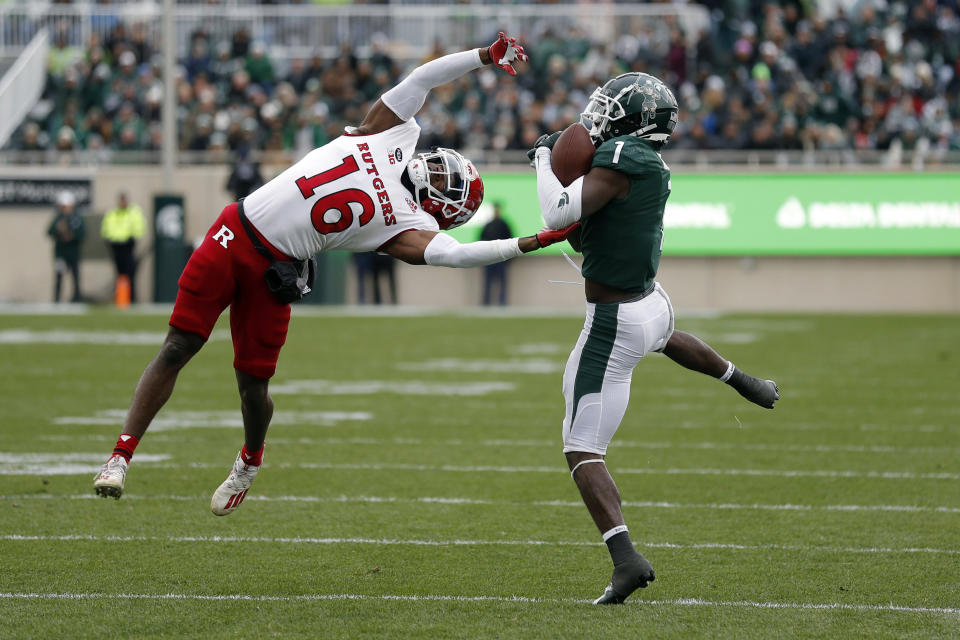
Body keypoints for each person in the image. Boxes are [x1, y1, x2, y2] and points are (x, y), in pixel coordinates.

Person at [93, 32, 579, 516]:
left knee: (252, 385)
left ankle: (249, 461)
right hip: (234, 231)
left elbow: (458, 256)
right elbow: (422, 77)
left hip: (275, 274)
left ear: (442, 208)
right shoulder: (390, 134)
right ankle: (120, 456)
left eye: (448, 181)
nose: (436, 169)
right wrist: (482, 57)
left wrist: (530, 242)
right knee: (178, 345)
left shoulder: (405, 227)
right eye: (445, 165)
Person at [530, 72, 780, 605]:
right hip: (651, 303)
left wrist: (540, 161)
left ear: (633, 120)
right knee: (666, 337)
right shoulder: (641, 163)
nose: (598, 116)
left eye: (609, 107)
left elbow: (556, 214)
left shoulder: (624, 155)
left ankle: (626, 560)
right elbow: (582, 228)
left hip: (613, 319)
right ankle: (743, 380)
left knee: (582, 449)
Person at [101, 192, 146, 303]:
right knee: (120, 274)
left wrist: (132, 238)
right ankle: (121, 299)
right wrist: (109, 240)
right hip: (116, 247)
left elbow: (139, 228)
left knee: (130, 273)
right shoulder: (112, 213)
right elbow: (106, 229)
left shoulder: (133, 212)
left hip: (128, 246)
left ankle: (131, 298)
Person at [47, 191, 85, 303]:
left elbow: (82, 233)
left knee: (75, 277)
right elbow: (49, 232)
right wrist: (58, 230)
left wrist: (71, 235)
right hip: (61, 253)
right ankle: (57, 299)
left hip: (73, 253)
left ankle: (77, 298)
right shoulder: (58, 218)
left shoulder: (77, 219)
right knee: (59, 276)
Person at [480, 202, 513, 305]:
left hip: (501, 258)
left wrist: (509, 259)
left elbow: (511, 241)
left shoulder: (504, 224)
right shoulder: (488, 225)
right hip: (489, 258)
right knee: (487, 283)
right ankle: (486, 304)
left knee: (502, 283)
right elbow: (480, 240)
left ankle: (502, 304)